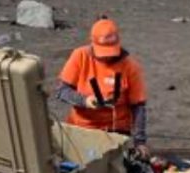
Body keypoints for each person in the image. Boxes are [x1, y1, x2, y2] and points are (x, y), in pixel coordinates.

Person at [55, 17, 149, 158]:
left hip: (116, 131)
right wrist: (85, 101)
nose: (107, 58)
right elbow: (62, 91)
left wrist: (139, 142)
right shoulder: (80, 56)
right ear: (92, 43)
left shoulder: (131, 67)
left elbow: (138, 106)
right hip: (82, 128)